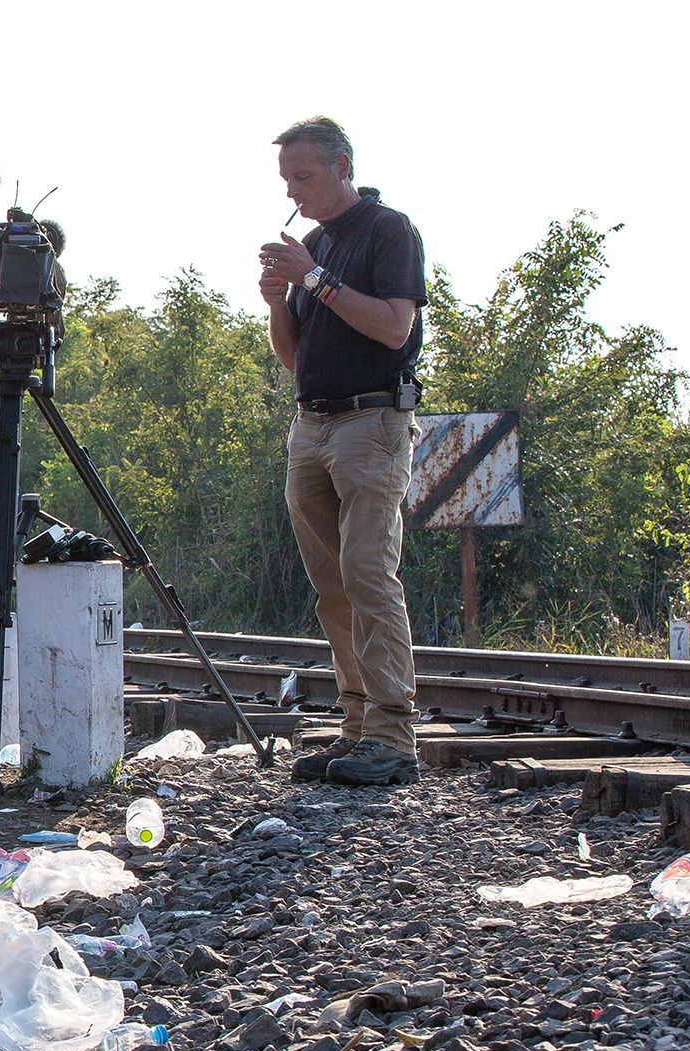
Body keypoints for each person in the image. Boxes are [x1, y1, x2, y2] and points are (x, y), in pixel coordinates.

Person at [260, 116, 426, 787]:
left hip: (372, 421)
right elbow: (292, 358)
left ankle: (393, 735)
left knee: (367, 573)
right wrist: (279, 302)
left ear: (342, 168)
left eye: (303, 176)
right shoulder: (315, 244)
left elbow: (394, 328)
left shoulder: (389, 231)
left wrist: (315, 278)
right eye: (286, 179)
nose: (292, 190)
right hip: (312, 424)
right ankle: (357, 728)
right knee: (333, 587)